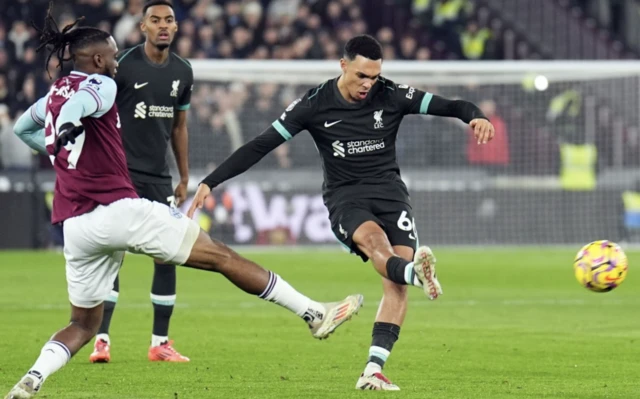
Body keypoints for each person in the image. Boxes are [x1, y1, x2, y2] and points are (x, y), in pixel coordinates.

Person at [6, 7, 362, 399]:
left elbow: (24, 127)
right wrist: (70, 128)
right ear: (96, 60)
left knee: (82, 325)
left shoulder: (54, 92)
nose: (114, 63)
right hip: (119, 209)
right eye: (110, 56)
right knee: (222, 257)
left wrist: (57, 148)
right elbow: (84, 104)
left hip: (75, 225)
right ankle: (314, 314)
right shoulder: (102, 84)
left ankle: (33, 378)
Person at [188, 34, 495, 391]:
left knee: (395, 286)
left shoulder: (391, 95)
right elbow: (260, 145)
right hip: (346, 198)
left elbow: (452, 106)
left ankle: (373, 370)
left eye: (374, 77)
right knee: (378, 247)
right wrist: (211, 181)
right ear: (343, 65)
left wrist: (477, 117)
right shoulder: (314, 104)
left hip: (391, 195)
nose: (368, 84)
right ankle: (416, 273)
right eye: (362, 75)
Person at [90, 0, 194, 364]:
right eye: (155, 20)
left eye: (169, 20)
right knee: (112, 254)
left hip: (159, 178)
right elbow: (98, 114)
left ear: (176, 28)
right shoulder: (124, 67)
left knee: (167, 255)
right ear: (143, 26)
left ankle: (160, 343)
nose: (163, 26)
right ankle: (101, 340)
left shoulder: (183, 71)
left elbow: (179, 127)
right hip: (119, 175)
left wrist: (183, 176)